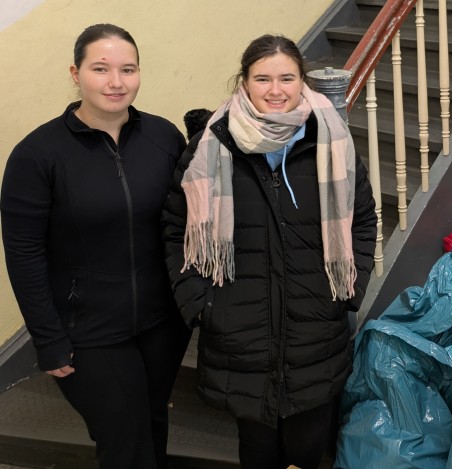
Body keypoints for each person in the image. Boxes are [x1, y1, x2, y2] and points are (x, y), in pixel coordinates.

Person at [162, 34, 378, 469]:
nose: (275, 89)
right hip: (242, 334)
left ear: (303, 81)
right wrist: (202, 304)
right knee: (257, 452)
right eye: (263, 78)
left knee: (307, 448)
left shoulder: (331, 141)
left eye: (286, 78)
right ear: (244, 81)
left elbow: (363, 219)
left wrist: (346, 292)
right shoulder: (210, 145)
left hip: (314, 329)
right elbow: (174, 227)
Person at [0, 24, 191, 468]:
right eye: (101, 69)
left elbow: (184, 224)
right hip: (88, 332)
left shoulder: (163, 138)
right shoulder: (37, 155)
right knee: (124, 439)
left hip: (163, 322)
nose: (116, 81)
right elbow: (24, 254)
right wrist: (47, 337)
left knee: (151, 423)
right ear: (75, 73)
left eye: (128, 69)